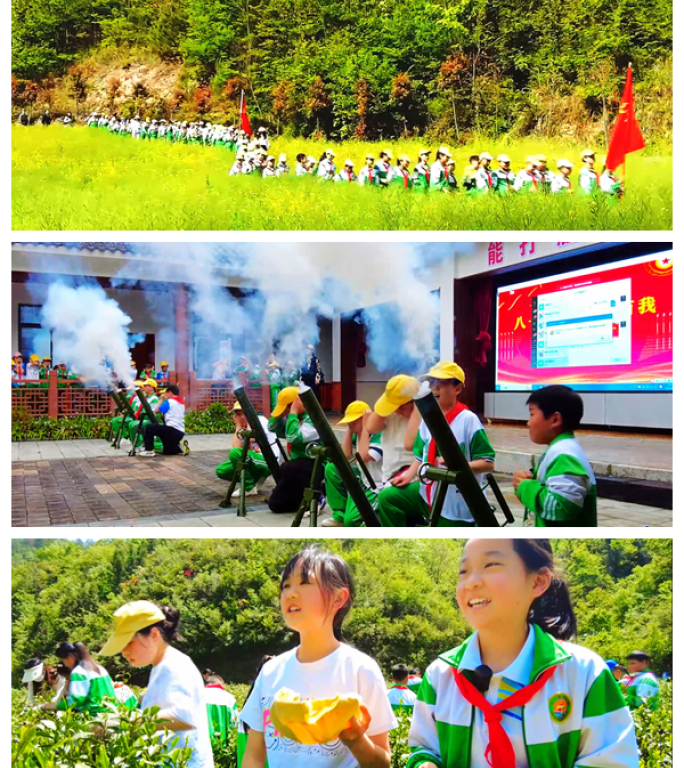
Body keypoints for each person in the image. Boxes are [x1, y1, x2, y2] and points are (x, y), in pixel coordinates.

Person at [407, 538, 639, 768]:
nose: (471, 582)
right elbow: (424, 748)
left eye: (491, 565)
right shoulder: (440, 676)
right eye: (464, 571)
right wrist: (425, 764)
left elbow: (613, 761)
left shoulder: (584, 673)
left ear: (538, 581)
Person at [240, 546, 397, 768]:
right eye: (286, 586)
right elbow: (254, 756)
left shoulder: (361, 670)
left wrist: (356, 740)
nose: (291, 593)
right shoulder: (270, 672)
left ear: (338, 598)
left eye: (305, 583)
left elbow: (383, 762)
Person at [377, 362, 495, 527]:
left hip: (455, 502)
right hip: (426, 493)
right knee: (388, 497)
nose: (435, 388)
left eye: (442, 384)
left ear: (457, 389)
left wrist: (460, 465)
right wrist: (408, 476)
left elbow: (488, 463)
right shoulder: (427, 419)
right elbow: (420, 456)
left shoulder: (469, 420)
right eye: (432, 383)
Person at [100, 601, 215, 768]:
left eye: (129, 643)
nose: (124, 651)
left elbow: (183, 717)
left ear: (154, 635)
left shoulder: (173, 667)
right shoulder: (161, 667)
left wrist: (122, 722)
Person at [513, 385, 597, 526]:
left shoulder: (564, 454)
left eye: (532, 414)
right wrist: (529, 481)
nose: (528, 422)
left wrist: (524, 487)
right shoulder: (562, 449)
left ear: (555, 419)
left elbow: (562, 507)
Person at [321, 400, 383, 527]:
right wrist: (350, 430)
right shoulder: (358, 432)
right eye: (349, 421)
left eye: (354, 421)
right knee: (333, 468)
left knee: (351, 522)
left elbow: (364, 457)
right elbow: (344, 456)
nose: (351, 424)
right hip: (365, 478)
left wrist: (365, 427)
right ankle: (340, 514)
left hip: (377, 485)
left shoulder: (378, 434)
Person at [267, 387, 320, 513]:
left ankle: (318, 495)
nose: (285, 413)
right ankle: (300, 500)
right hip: (296, 469)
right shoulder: (294, 419)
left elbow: (292, 437)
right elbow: (272, 427)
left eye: (286, 408)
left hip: (316, 466)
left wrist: (293, 412)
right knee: (276, 505)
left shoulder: (313, 419)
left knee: (287, 467)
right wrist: (280, 413)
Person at [365, 375, 419, 498]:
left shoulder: (421, 418)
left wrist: (417, 410)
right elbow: (371, 427)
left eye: (401, 406)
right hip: (390, 474)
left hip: (413, 474)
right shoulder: (391, 415)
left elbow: (409, 444)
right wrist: (384, 407)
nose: (397, 410)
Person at [38, 642, 116, 714]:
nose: (65, 664)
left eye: (64, 660)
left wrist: (49, 706)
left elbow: (76, 700)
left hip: (95, 715)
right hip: (111, 711)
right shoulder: (99, 668)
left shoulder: (79, 672)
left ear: (70, 657)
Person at [215, 402, 275, 497]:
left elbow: (252, 438)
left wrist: (248, 421)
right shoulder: (242, 426)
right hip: (253, 459)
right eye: (238, 414)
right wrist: (238, 425)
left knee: (236, 454)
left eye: (244, 413)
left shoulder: (260, 420)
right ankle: (255, 479)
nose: (242, 417)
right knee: (221, 470)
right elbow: (236, 447)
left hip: (269, 460)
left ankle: (248, 487)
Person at [140, 383, 190, 456]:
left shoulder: (169, 402)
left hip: (171, 430)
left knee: (149, 427)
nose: (165, 394)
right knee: (168, 452)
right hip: (180, 432)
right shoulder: (181, 403)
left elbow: (156, 410)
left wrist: (161, 399)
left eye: (166, 393)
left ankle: (149, 450)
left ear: (170, 392)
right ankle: (181, 448)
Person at [205, 674, 238, 743]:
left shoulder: (197, 696)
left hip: (202, 746)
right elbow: (234, 724)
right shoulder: (229, 698)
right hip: (222, 745)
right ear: (222, 684)